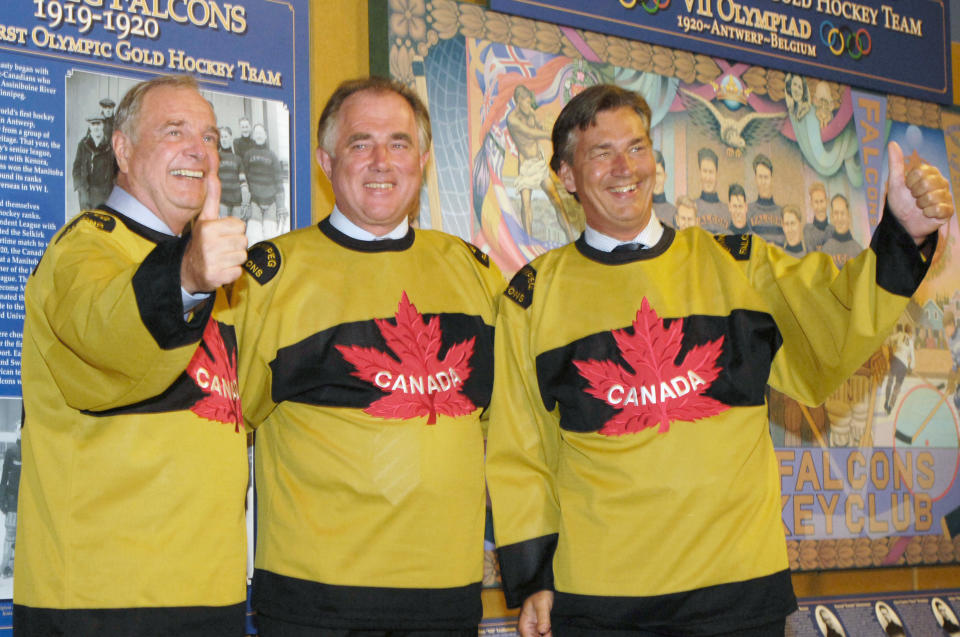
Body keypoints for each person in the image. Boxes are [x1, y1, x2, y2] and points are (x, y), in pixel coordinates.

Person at [485, 84, 952, 637]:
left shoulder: (738, 267)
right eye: (600, 152)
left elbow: (835, 316)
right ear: (565, 175)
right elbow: (520, 450)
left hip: (739, 593)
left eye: (636, 147)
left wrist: (901, 234)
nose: (624, 167)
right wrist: (534, 576)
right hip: (603, 603)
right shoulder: (533, 297)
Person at [227, 76, 503, 635]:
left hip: (445, 594)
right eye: (361, 143)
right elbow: (227, 424)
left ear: (423, 160)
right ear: (326, 162)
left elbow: (511, 436)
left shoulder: (475, 273)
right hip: (314, 597)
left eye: (399, 143)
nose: (381, 161)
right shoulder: (267, 276)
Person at [15, 74, 250, 636]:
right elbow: (106, 332)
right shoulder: (84, 248)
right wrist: (189, 277)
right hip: (105, 603)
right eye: (174, 131)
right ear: (121, 149)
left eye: (210, 137)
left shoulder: (220, 271)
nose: (199, 148)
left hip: (209, 594)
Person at [507, 84, 575, 241]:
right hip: (526, 166)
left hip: (539, 162)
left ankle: (571, 238)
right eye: (526, 102)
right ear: (518, 101)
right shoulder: (512, 120)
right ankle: (529, 241)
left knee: (556, 200)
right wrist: (551, 133)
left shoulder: (529, 112)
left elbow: (537, 126)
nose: (529, 106)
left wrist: (545, 125)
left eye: (530, 102)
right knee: (526, 204)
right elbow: (531, 133)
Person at [242, 122, 287, 241]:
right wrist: (245, 201)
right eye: (256, 133)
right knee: (253, 236)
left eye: (261, 133)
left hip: (271, 202)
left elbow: (279, 181)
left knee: (270, 237)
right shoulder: (248, 155)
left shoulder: (272, 156)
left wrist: (281, 206)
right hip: (254, 201)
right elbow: (244, 179)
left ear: (266, 135)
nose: (259, 136)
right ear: (253, 136)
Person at [72, 113, 114, 211]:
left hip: (104, 195)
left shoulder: (110, 146)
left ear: (103, 125)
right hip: (86, 194)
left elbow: (116, 171)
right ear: (89, 126)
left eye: (98, 124)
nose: (96, 127)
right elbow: (76, 168)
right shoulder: (83, 145)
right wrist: (80, 188)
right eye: (93, 124)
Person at [747, 153, 785, 245]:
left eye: (766, 177)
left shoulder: (782, 212)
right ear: (755, 179)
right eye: (760, 177)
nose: (763, 182)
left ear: (771, 179)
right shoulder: (748, 211)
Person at [821, 194, 862, 268]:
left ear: (848, 216)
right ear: (832, 217)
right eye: (836, 213)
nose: (839, 219)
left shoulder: (858, 251)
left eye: (842, 213)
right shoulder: (825, 250)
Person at [694, 147, 729, 233]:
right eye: (705, 171)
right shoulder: (692, 207)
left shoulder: (727, 211)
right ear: (700, 173)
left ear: (717, 174)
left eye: (711, 172)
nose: (708, 178)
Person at [883, 323, 915, 414]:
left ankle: (886, 400)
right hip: (903, 365)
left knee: (890, 381)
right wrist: (911, 367)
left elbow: (890, 339)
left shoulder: (900, 335)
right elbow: (913, 358)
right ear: (910, 333)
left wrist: (890, 347)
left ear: (905, 330)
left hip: (896, 360)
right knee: (897, 387)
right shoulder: (911, 342)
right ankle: (891, 406)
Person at [218, 125, 247, 219]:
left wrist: (245, 202)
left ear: (230, 138)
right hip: (222, 201)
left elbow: (243, 182)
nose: (224, 139)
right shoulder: (216, 157)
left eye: (226, 136)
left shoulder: (237, 159)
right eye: (222, 137)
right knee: (224, 229)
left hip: (237, 202)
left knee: (236, 230)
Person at [0, 439, 20, 578]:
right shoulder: (12, 451)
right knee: (10, 534)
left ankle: (16, 566)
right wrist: (2, 499)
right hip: (13, 500)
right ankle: (6, 567)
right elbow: (4, 477)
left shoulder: (36, 450)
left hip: (29, 500)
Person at [803, 182, 834, 251]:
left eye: (821, 201)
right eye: (816, 202)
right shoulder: (808, 230)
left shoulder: (833, 230)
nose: (819, 206)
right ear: (811, 204)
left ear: (827, 201)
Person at [651, 150, 676, 229]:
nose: (655, 180)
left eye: (658, 174)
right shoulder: (639, 212)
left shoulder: (674, 212)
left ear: (665, 177)